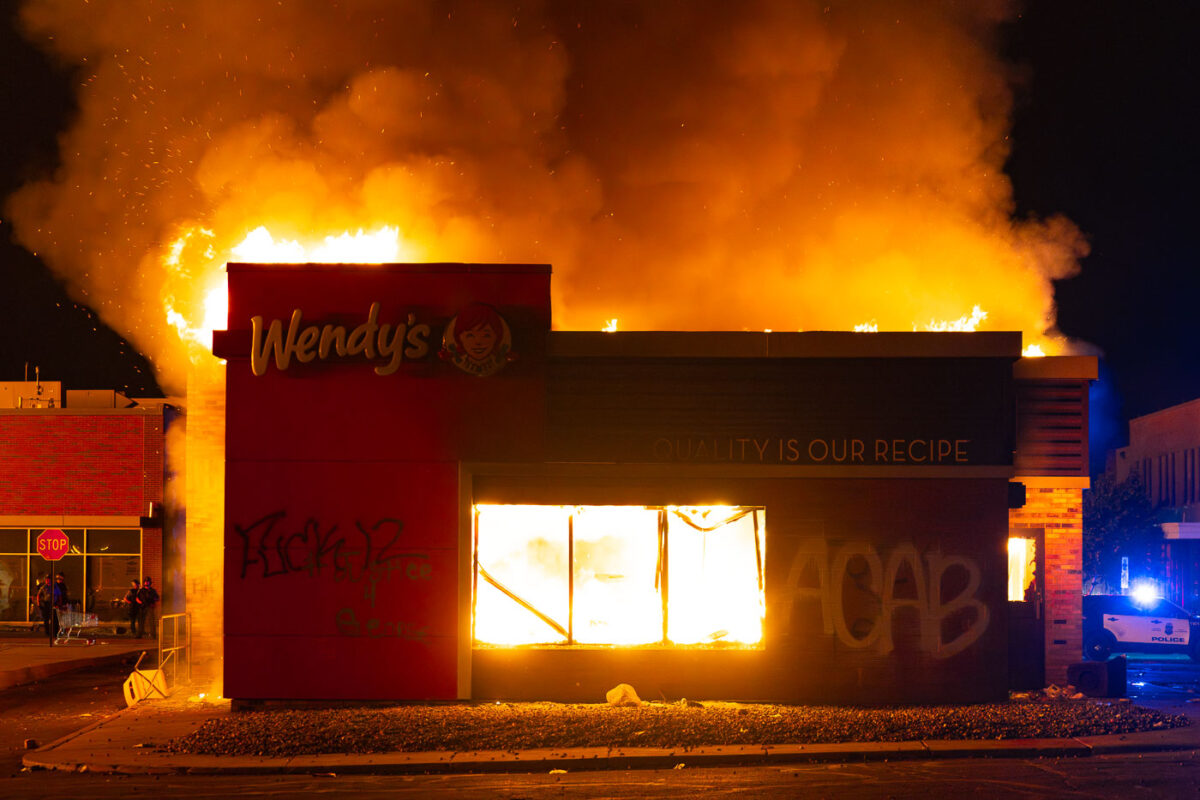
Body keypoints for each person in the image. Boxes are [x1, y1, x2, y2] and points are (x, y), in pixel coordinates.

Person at [35, 575, 62, 645]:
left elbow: (59, 595)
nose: (47, 581)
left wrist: (59, 603)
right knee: (46, 618)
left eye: (49, 579)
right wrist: (38, 603)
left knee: (55, 619)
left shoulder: (55, 587)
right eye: (47, 579)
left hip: (53, 604)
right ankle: (47, 632)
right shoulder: (44, 587)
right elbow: (39, 595)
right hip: (46, 604)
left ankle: (55, 632)